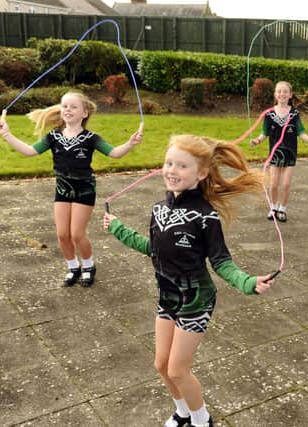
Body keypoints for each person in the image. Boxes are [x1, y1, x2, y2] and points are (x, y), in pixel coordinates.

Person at [103, 134, 276, 427]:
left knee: (178, 370)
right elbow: (154, 249)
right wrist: (119, 229)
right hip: (168, 296)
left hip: (196, 300)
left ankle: (201, 420)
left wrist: (247, 282)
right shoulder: (159, 209)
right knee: (161, 365)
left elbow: (221, 261)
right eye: (169, 163)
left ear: (202, 173)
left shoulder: (206, 217)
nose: (172, 170)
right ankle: (182, 412)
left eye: (182, 166)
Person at [0, 91, 142, 287]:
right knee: (62, 235)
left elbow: (114, 153)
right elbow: (29, 151)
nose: (68, 110)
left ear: (84, 112)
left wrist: (130, 143)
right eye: (65, 106)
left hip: (84, 190)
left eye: (73, 106)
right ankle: (73, 267)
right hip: (63, 189)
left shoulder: (91, 138)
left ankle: (89, 266)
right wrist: (6, 134)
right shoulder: (54, 136)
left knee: (76, 234)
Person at [250, 80, 308, 222]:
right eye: (279, 91)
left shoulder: (294, 114)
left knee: (286, 184)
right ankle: (274, 207)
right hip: (275, 153)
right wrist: (257, 140)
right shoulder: (269, 114)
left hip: (290, 153)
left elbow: (300, 131)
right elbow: (264, 132)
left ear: (290, 95)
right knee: (274, 184)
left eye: (285, 91)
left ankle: (282, 208)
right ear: (275, 94)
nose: (282, 94)